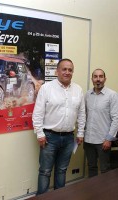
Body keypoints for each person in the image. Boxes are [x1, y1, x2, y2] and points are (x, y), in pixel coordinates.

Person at [32, 58, 86, 195]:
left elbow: (81, 113)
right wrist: (40, 134)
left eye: (70, 70)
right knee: (45, 171)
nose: (67, 72)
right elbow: (37, 113)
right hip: (49, 137)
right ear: (57, 71)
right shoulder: (46, 88)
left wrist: (80, 133)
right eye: (64, 69)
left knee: (62, 170)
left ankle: (59, 197)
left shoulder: (78, 90)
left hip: (69, 138)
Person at [84, 69, 118, 177]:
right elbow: (84, 115)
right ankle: (93, 191)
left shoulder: (112, 95)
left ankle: (105, 193)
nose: (98, 79)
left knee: (105, 169)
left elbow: (116, 118)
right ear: (92, 79)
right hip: (88, 140)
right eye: (95, 76)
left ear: (105, 78)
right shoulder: (87, 95)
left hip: (103, 141)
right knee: (91, 167)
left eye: (100, 76)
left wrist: (109, 139)